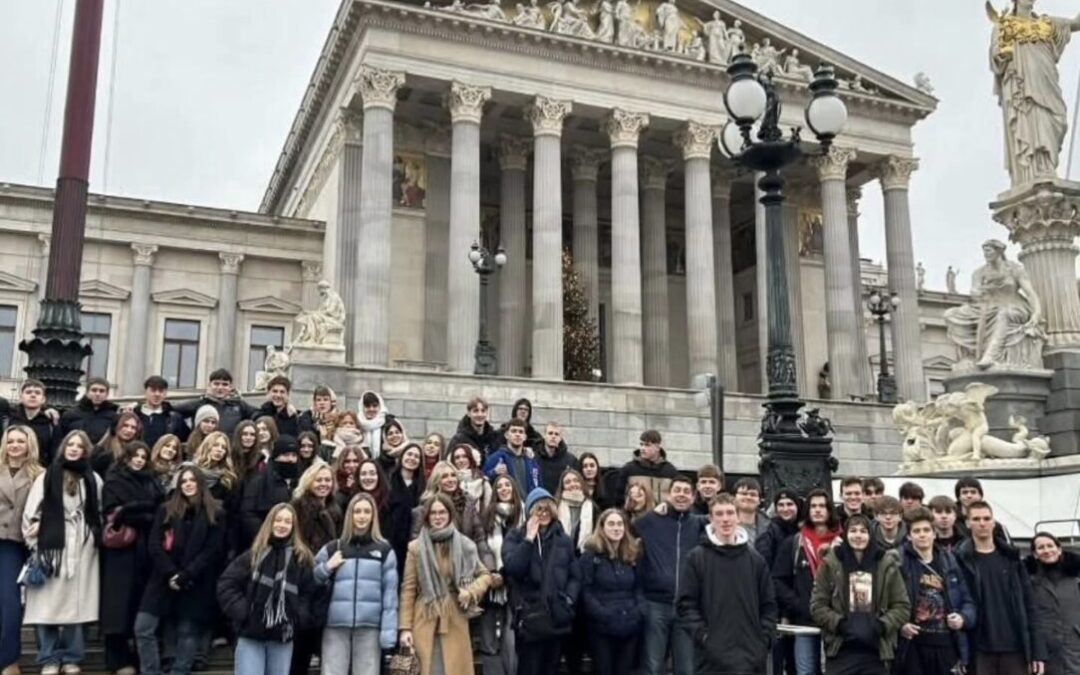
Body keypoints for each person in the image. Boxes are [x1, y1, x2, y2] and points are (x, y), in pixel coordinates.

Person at [21, 430, 103, 675]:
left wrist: (93, 535)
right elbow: (31, 511)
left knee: (79, 604)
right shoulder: (46, 476)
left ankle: (72, 657)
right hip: (51, 547)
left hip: (83, 547)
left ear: (86, 451)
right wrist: (36, 536)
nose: (74, 449)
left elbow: (99, 510)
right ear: (63, 447)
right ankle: (48, 657)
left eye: (80, 446)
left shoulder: (93, 478)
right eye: (71, 444)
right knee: (46, 605)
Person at [135, 465, 226, 675]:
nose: (188, 484)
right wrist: (171, 573)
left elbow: (211, 550)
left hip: (195, 579)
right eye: (183, 481)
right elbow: (154, 545)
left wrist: (185, 575)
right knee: (143, 627)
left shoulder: (216, 512)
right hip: (162, 577)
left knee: (187, 632)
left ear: (200, 483)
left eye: (192, 480)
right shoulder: (166, 509)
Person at [678, 493, 778, 675]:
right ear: (710, 519)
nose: (725, 519)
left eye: (730, 513)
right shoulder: (697, 558)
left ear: (738, 517)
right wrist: (704, 637)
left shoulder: (755, 560)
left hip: (752, 658)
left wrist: (764, 640)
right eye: (719, 514)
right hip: (711, 660)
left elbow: (769, 605)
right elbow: (686, 606)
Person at [217, 503, 316, 675]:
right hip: (251, 635)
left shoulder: (301, 559)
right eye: (278, 520)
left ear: (293, 527)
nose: (282, 525)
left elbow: (308, 593)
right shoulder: (253, 555)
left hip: (283, 636)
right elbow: (226, 584)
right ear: (270, 523)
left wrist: (298, 616)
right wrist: (243, 611)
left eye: (287, 522)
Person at [399, 492, 491, 675]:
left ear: (450, 514)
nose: (438, 517)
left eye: (442, 512)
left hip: (455, 618)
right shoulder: (416, 548)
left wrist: (470, 591)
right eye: (433, 513)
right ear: (427, 517)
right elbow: (408, 590)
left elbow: (485, 575)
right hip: (424, 618)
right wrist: (405, 628)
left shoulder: (465, 545)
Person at [809, 514, 910, 675]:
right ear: (845, 534)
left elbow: (902, 606)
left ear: (870, 534)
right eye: (853, 530)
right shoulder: (831, 563)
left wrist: (881, 626)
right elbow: (817, 606)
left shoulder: (886, 563)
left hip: (876, 651)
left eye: (863, 531)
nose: (858, 535)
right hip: (840, 648)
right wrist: (839, 624)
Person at [313, 492, 399, 675]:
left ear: (373, 516)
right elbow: (311, 580)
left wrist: (388, 633)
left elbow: (390, 595)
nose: (362, 516)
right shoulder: (333, 548)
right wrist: (327, 567)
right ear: (350, 515)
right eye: (357, 511)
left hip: (370, 626)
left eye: (367, 511)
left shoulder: (384, 550)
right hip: (335, 624)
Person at [955, 500, 1045, 675]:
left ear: (993, 522)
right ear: (968, 523)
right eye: (976, 519)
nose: (982, 523)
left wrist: (1037, 652)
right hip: (979, 649)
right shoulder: (959, 560)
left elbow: (1030, 606)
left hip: (1015, 647)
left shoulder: (1012, 559)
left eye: (986, 518)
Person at [100, 442, 164, 675]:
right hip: (121, 551)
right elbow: (114, 513)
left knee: (140, 605)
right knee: (117, 607)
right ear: (125, 458)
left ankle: (138, 658)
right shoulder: (114, 480)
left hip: (146, 550)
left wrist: (135, 510)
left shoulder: (152, 481)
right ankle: (117, 660)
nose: (139, 460)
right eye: (135, 456)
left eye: (143, 457)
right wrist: (142, 511)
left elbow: (159, 511)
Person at [503, 487, 581, 675]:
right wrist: (528, 539)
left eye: (548, 509)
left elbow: (575, 576)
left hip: (557, 616)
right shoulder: (515, 536)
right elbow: (513, 569)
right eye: (539, 509)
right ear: (530, 512)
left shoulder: (564, 540)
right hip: (530, 617)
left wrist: (568, 600)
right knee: (529, 668)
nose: (544, 514)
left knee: (551, 668)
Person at [635, 476, 703, 675]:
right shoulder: (649, 522)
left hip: (686, 608)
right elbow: (623, 523)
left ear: (693, 497)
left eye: (686, 491)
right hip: (655, 605)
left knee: (686, 668)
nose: (681, 495)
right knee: (653, 666)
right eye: (677, 490)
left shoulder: (699, 524)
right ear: (668, 495)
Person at [895, 507, 975, 675]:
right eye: (917, 531)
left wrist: (963, 618)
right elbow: (886, 602)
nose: (922, 535)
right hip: (913, 643)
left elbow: (968, 600)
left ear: (934, 534)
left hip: (946, 642)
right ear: (909, 536)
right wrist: (900, 625)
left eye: (926, 530)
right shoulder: (898, 561)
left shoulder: (949, 560)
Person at [774, 488, 842, 675]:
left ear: (830, 510)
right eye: (813, 506)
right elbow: (778, 580)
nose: (817, 510)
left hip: (836, 623)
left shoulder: (843, 543)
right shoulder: (794, 543)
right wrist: (798, 604)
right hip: (804, 622)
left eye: (822, 506)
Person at [288, 461, 341, 675]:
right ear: (309, 481)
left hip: (326, 584)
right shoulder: (298, 507)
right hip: (303, 581)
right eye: (319, 480)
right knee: (299, 652)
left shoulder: (335, 509)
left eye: (328, 480)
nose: (324, 484)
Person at [0, 426, 45, 675]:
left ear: (29, 444)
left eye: (20, 441)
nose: (15, 445)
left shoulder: (39, 474)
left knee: (10, 604)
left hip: (15, 543)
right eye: (10, 441)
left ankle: (8, 660)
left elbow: (47, 506)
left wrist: (39, 522)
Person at [580, 508, 644, 675]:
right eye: (611, 524)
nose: (616, 528)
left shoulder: (632, 555)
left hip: (630, 624)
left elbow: (639, 588)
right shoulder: (590, 556)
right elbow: (585, 590)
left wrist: (637, 612)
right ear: (602, 527)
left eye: (620, 524)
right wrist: (603, 614)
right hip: (601, 627)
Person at [476, 475, 524, 675]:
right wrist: (493, 573)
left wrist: (505, 574)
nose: (504, 489)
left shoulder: (524, 515)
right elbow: (481, 546)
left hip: (515, 582)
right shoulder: (486, 516)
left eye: (507, 485)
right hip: (491, 582)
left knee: (511, 633)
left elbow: (524, 550)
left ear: (514, 489)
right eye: (500, 486)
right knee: (488, 636)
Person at [1026, 532, 1080, 675]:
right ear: (1035, 554)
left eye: (1050, 546)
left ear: (1059, 549)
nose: (1047, 550)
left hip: (1074, 646)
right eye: (1041, 547)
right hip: (1045, 651)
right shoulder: (1030, 582)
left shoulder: (1075, 577)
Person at [241, 437, 301, 549]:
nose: (291, 459)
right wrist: (266, 536)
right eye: (286, 455)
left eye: (294, 455)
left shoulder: (299, 481)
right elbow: (248, 513)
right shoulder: (259, 481)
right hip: (264, 542)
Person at [411, 461, 482, 542]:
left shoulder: (468, 504)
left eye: (453, 475)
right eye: (444, 477)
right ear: (436, 481)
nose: (450, 480)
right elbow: (416, 541)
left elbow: (479, 537)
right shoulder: (423, 509)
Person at [173, 368, 256, 436]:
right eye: (216, 384)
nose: (220, 388)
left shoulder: (240, 405)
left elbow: (258, 415)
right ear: (209, 385)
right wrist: (188, 435)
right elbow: (172, 412)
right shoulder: (199, 404)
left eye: (225, 384)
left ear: (230, 387)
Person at [613, 429, 680, 507]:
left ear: (658, 447)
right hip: (636, 514)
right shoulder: (628, 469)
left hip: (662, 514)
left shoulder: (670, 471)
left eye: (647, 445)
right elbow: (619, 498)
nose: (642, 448)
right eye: (641, 444)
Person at [387, 444, 425, 580]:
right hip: (391, 538)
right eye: (409, 454)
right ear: (402, 456)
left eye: (416, 456)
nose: (412, 458)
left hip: (412, 542)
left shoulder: (423, 486)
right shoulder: (389, 480)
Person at [4, 380, 61, 466]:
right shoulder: (9, 418)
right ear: (21, 397)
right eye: (28, 392)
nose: (33, 395)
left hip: (40, 470)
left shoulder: (51, 423)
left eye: (37, 393)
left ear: (43, 399)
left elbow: (54, 453)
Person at [483, 419, 541, 496]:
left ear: (525, 437)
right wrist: (494, 472)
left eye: (521, 432)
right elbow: (483, 480)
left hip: (529, 502)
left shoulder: (531, 461)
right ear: (506, 435)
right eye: (514, 431)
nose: (517, 434)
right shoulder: (496, 458)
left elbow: (539, 485)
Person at [135, 376, 189, 448]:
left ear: (165, 394)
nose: (157, 394)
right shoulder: (134, 416)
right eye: (153, 390)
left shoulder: (175, 419)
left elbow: (185, 443)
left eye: (161, 391)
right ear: (145, 392)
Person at [59, 377, 117, 445]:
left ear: (107, 394)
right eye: (94, 390)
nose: (97, 394)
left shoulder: (114, 417)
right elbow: (60, 440)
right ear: (87, 392)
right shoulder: (70, 414)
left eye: (101, 391)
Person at [754, 488, 801, 570]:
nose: (785, 509)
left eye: (789, 504)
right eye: (781, 505)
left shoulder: (804, 528)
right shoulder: (770, 531)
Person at [953, 477, 1011, 543]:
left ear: (980, 495)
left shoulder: (995, 527)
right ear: (958, 497)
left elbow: (1008, 547)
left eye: (973, 492)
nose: (969, 495)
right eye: (965, 492)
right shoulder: (951, 524)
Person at [447, 396, 501, 463]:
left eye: (483, 411)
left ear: (487, 413)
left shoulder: (493, 437)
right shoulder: (459, 440)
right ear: (469, 413)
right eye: (476, 411)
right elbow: (448, 464)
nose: (480, 414)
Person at [555, 468, 597, 551]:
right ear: (562, 487)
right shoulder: (555, 507)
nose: (573, 484)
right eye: (568, 482)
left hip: (584, 553)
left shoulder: (593, 507)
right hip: (560, 552)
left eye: (576, 481)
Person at [91, 411, 143, 476]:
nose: (129, 430)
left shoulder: (140, 453)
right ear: (116, 427)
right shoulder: (101, 453)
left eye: (133, 427)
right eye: (125, 425)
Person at [534, 422, 578, 495]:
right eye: (550, 433)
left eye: (556, 434)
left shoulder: (571, 460)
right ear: (544, 436)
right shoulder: (533, 458)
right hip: (540, 498)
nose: (553, 436)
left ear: (560, 438)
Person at [449, 443, 491, 508]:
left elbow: (488, 508)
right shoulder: (449, 481)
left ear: (471, 458)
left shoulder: (483, 482)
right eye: (457, 458)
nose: (461, 460)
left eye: (465, 456)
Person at [297, 385, 339, 451]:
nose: (322, 403)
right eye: (318, 400)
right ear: (314, 403)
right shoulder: (306, 417)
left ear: (331, 402)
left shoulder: (339, 418)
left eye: (325, 400)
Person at [357, 391, 389, 458]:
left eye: (375, 406)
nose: (371, 409)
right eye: (367, 406)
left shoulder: (388, 422)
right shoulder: (356, 424)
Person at [333, 447, 363, 512]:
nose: (351, 465)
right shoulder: (333, 480)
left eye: (355, 461)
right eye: (347, 461)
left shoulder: (365, 482)